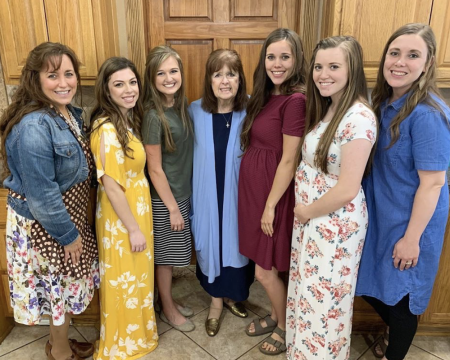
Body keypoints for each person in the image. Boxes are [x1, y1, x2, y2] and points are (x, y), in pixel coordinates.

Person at [356, 23, 450, 360]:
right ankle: (390, 334)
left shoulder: (427, 115)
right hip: (383, 214)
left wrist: (411, 239)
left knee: (401, 302)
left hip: (411, 221)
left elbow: (434, 183)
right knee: (373, 287)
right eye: (394, 53)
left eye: (413, 55)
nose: (400, 62)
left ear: (427, 64)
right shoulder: (382, 103)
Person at [0, 42, 99, 360]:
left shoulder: (70, 113)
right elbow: (42, 197)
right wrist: (69, 236)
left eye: (68, 74)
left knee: (64, 291)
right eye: (53, 75)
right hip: (45, 227)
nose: (64, 82)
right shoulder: (33, 127)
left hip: (64, 221)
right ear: (35, 79)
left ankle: (59, 343)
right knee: (56, 293)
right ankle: (59, 352)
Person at [286, 36, 377, 360]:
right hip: (313, 223)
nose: (323, 74)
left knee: (325, 305)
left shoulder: (359, 118)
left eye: (334, 66)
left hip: (333, 227)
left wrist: (306, 211)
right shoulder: (331, 107)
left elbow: (347, 188)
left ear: (352, 69)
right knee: (308, 297)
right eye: (319, 66)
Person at [238, 28, 307, 355]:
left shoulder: (296, 100)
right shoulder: (267, 95)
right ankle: (278, 314)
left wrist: (269, 207)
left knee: (267, 270)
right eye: (271, 56)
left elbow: (289, 158)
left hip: (273, 195)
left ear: (297, 60)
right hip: (256, 191)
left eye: (285, 56)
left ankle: (284, 327)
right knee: (264, 265)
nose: (277, 64)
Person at [90, 57, 158, 359]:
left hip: (135, 214)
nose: (128, 89)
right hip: (122, 221)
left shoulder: (126, 120)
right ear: (106, 90)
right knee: (125, 280)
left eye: (132, 82)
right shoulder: (106, 129)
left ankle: (139, 336)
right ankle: (122, 344)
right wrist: (132, 228)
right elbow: (111, 185)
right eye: (119, 84)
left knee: (137, 278)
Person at [189, 49, 254, 337]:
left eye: (231, 74)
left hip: (240, 198)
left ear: (240, 79)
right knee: (211, 244)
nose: (225, 81)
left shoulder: (253, 110)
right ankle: (216, 302)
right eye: (218, 74)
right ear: (209, 79)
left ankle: (232, 296)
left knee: (238, 245)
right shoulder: (194, 111)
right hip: (206, 197)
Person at [142, 46, 194, 332]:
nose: (168, 77)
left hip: (181, 195)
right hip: (165, 199)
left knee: (172, 257)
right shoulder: (154, 116)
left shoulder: (180, 107)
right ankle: (168, 310)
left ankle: (167, 301)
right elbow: (155, 168)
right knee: (164, 260)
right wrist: (173, 208)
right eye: (161, 73)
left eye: (173, 71)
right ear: (152, 78)